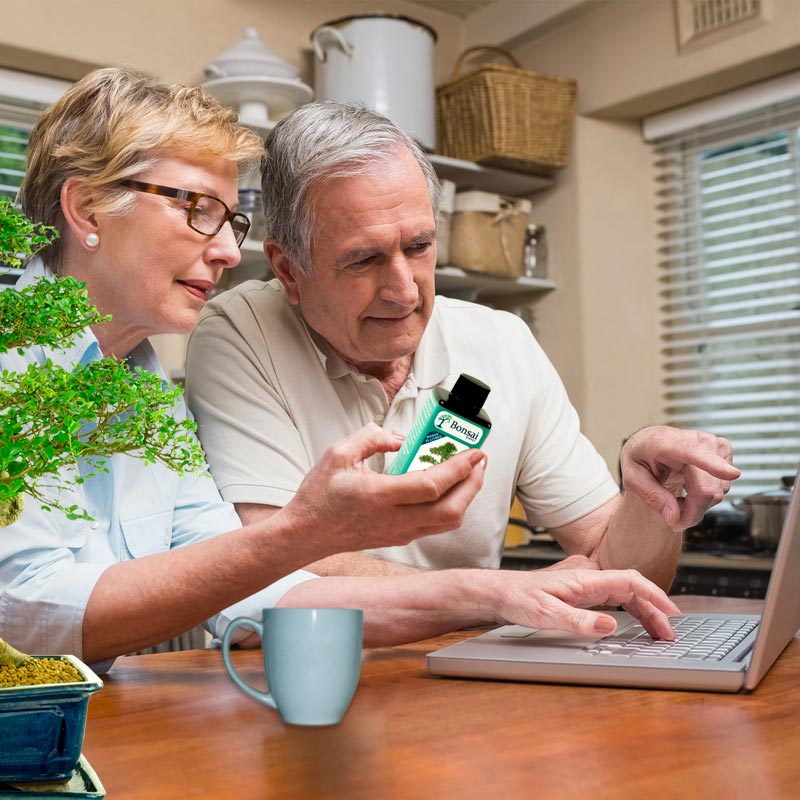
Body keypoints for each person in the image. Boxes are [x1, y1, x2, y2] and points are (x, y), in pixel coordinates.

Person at [0, 69, 684, 673]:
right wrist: (306, 532)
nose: (223, 253)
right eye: (197, 211)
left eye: (227, 220)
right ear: (87, 208)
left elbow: (245, 587)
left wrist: (491, 594)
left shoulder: (140, 384)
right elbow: (27, 613)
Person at [184, 101, 739, 594]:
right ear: (288, 268)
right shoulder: (239, 330)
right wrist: (491, 596)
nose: (404, 289)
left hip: (471, 679)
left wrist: (650, 497)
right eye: (364, 259)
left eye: (419, 246)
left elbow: (624, 574)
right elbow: (267, 562)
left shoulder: (504, 342)